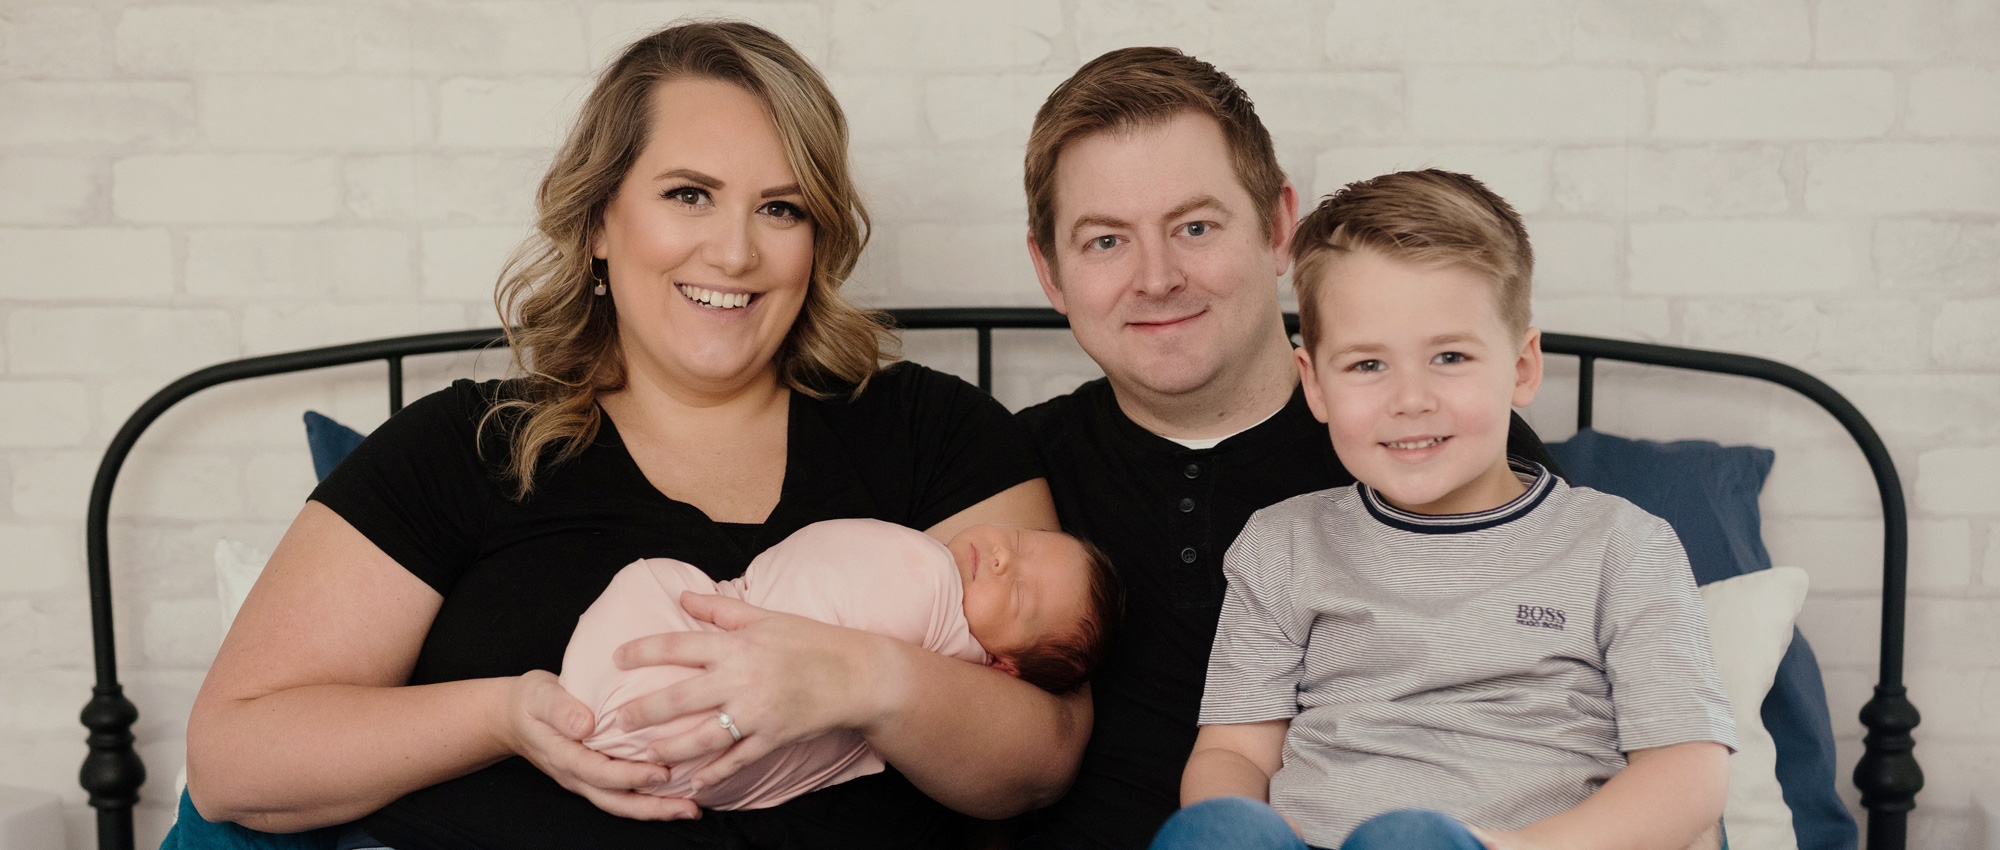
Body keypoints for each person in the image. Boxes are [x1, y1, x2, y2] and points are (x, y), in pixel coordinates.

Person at [181, 21, 1089, 850]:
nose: (735, 252)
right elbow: (235, 757)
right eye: (690, 195)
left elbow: (1043, 755)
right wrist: (508, 716)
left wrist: (861, 679)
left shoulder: (931, 433)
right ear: (598, 223)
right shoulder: (470, 446)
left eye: (782, 208)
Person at [1012, 47, 1561, 849]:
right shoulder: (1008, 474)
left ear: (1278, 229)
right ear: (1050, 272)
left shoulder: (1435, 446)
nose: (1157, 277)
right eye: (1105, 242)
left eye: (1195, 227)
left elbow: (1561, 721)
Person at [1160, 169, 1736, 850]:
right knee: (1215, 831)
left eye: (1450, 356)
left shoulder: (1620, 547)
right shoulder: (1283, 544)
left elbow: (1689, 775)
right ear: (1313, 384)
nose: (1411, 398)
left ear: (1521, 367)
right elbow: (1235, 754)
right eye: (1368, 366)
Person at [561, 518, 1122, 810]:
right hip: (608, 701)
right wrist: (507, 715)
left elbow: (1045, 753)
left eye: (1019, 592)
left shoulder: (952, 650)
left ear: (1003, 667)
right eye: (1020, 543)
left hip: (679, 728)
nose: (1001, 557)